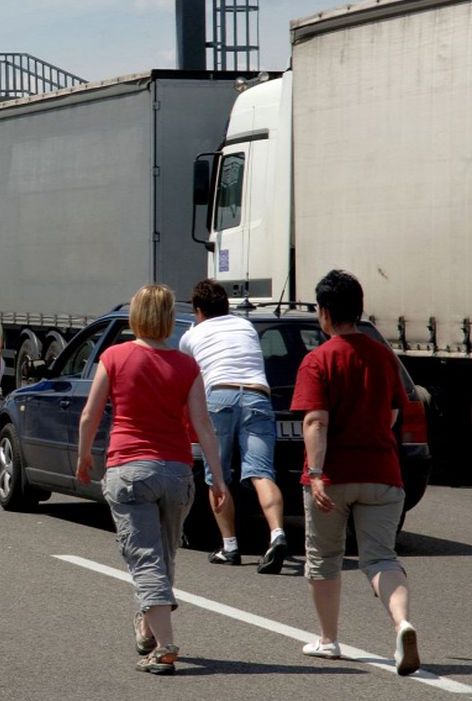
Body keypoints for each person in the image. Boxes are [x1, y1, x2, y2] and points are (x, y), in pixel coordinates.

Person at [76, 283, 228, 676]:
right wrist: (218, 478)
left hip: (129, 470)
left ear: (136, 316)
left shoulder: (114, 356)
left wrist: (82, 457)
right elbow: (203, 426)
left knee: (145, 558)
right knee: (163, 555)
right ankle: (147, 629)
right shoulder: (186, 366)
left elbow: (90, 415)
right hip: (176, 471)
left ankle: (164, 646)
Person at [291, 269, 420, 675]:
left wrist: (315, 473)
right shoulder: (384, 356)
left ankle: (329, 640)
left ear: (325, 313)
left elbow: (315, 421)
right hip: (383, 472)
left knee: (325, 558)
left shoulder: (318, 359)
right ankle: (402, 623)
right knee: (381, 557)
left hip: (335, 476)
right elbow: (395, 412)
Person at [178, 279, 287, 572]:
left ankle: (230, 547)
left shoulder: (191, 336)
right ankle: (277, 534)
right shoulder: (246, 326)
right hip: (258, 395)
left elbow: (188, 376)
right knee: (261, 473)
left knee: (217, 474)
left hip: (220, 395)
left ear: (198, 310)